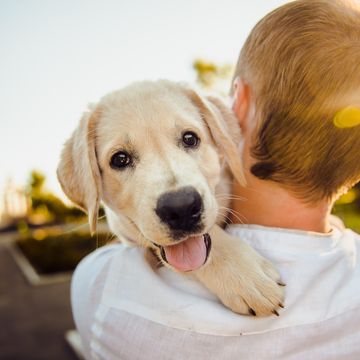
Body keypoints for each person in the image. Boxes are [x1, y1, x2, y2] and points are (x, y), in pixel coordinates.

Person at [71, 1, 360, 359]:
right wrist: (215, 252)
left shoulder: (102, 289)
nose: (174, 192)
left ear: (235, 106)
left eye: (189, 140)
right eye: (122, 159)